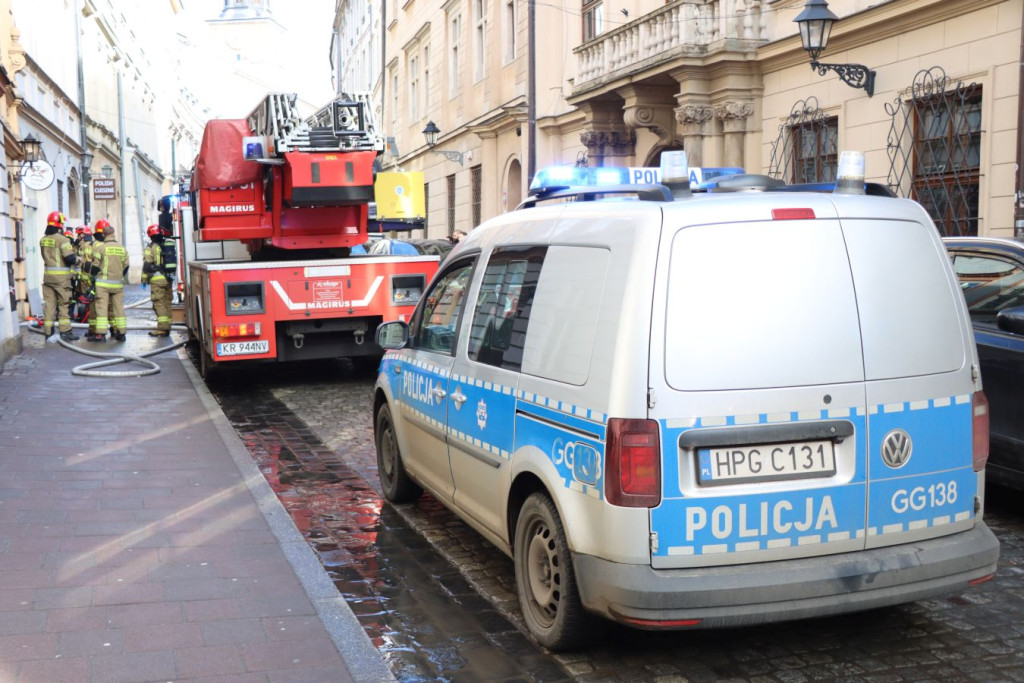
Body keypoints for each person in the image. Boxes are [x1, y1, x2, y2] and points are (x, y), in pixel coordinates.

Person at [85, 219, 129, 343]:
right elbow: (126, 267)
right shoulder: (123, 249)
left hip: (102, 284)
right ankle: (121, 333)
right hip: (117, 284)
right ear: (114, 234)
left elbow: (95, 267)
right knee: (118, 308)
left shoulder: (101, 248)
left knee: (102, 309)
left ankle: (101, 334)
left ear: (104, 235)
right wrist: (119, 277)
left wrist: (92, 278)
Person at [38, 211, 79, 342]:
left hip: (48, 278)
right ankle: (65, 332)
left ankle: (48, 332)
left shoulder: (43, 240)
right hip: (61, 280)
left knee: (49, 305)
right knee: (63, 305)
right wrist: (78, 259)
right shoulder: (63, 239)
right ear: (59, 224)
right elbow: (69, 258)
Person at [141, 223, 173, 337]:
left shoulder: (151, 247)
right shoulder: (166, 244)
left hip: (157, 279)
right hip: (168, 278)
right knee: (166, 303)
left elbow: (147, 265)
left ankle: (162, 329)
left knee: (159, 304)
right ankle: (167, 326)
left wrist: (143, 279)